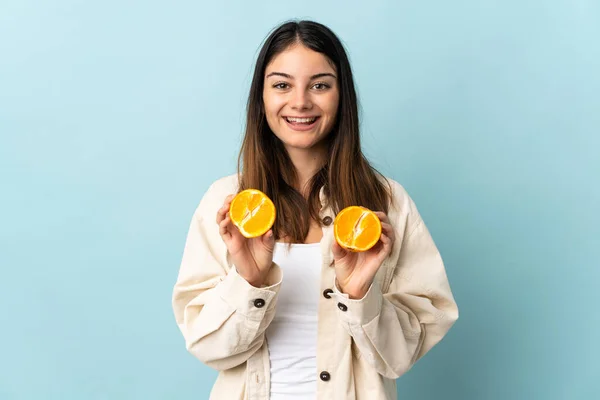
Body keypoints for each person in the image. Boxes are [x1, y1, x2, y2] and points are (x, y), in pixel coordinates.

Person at [172, 19, 458, 400]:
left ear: (342, 96)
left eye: (320, 85)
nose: (300, 102)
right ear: (261, 97)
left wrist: (359, 295)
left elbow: (398, 358)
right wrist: (249, 281)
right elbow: (210, 349)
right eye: (282, 85)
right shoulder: (224, 205)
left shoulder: (387, 203)